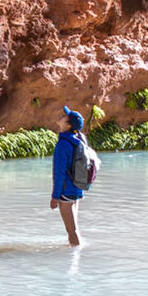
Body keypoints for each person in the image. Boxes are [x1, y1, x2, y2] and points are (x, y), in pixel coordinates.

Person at [50, 106, 90, 247]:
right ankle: (74, 255)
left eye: (65, 116)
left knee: (71, 231)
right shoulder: (79, 139)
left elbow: (59, 173)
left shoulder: (63, 144)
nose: (62, 116)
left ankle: (75, 262)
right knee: (74, 229)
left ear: (68, 125)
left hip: (66, 192)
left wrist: (55, 197)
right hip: (77, 188)